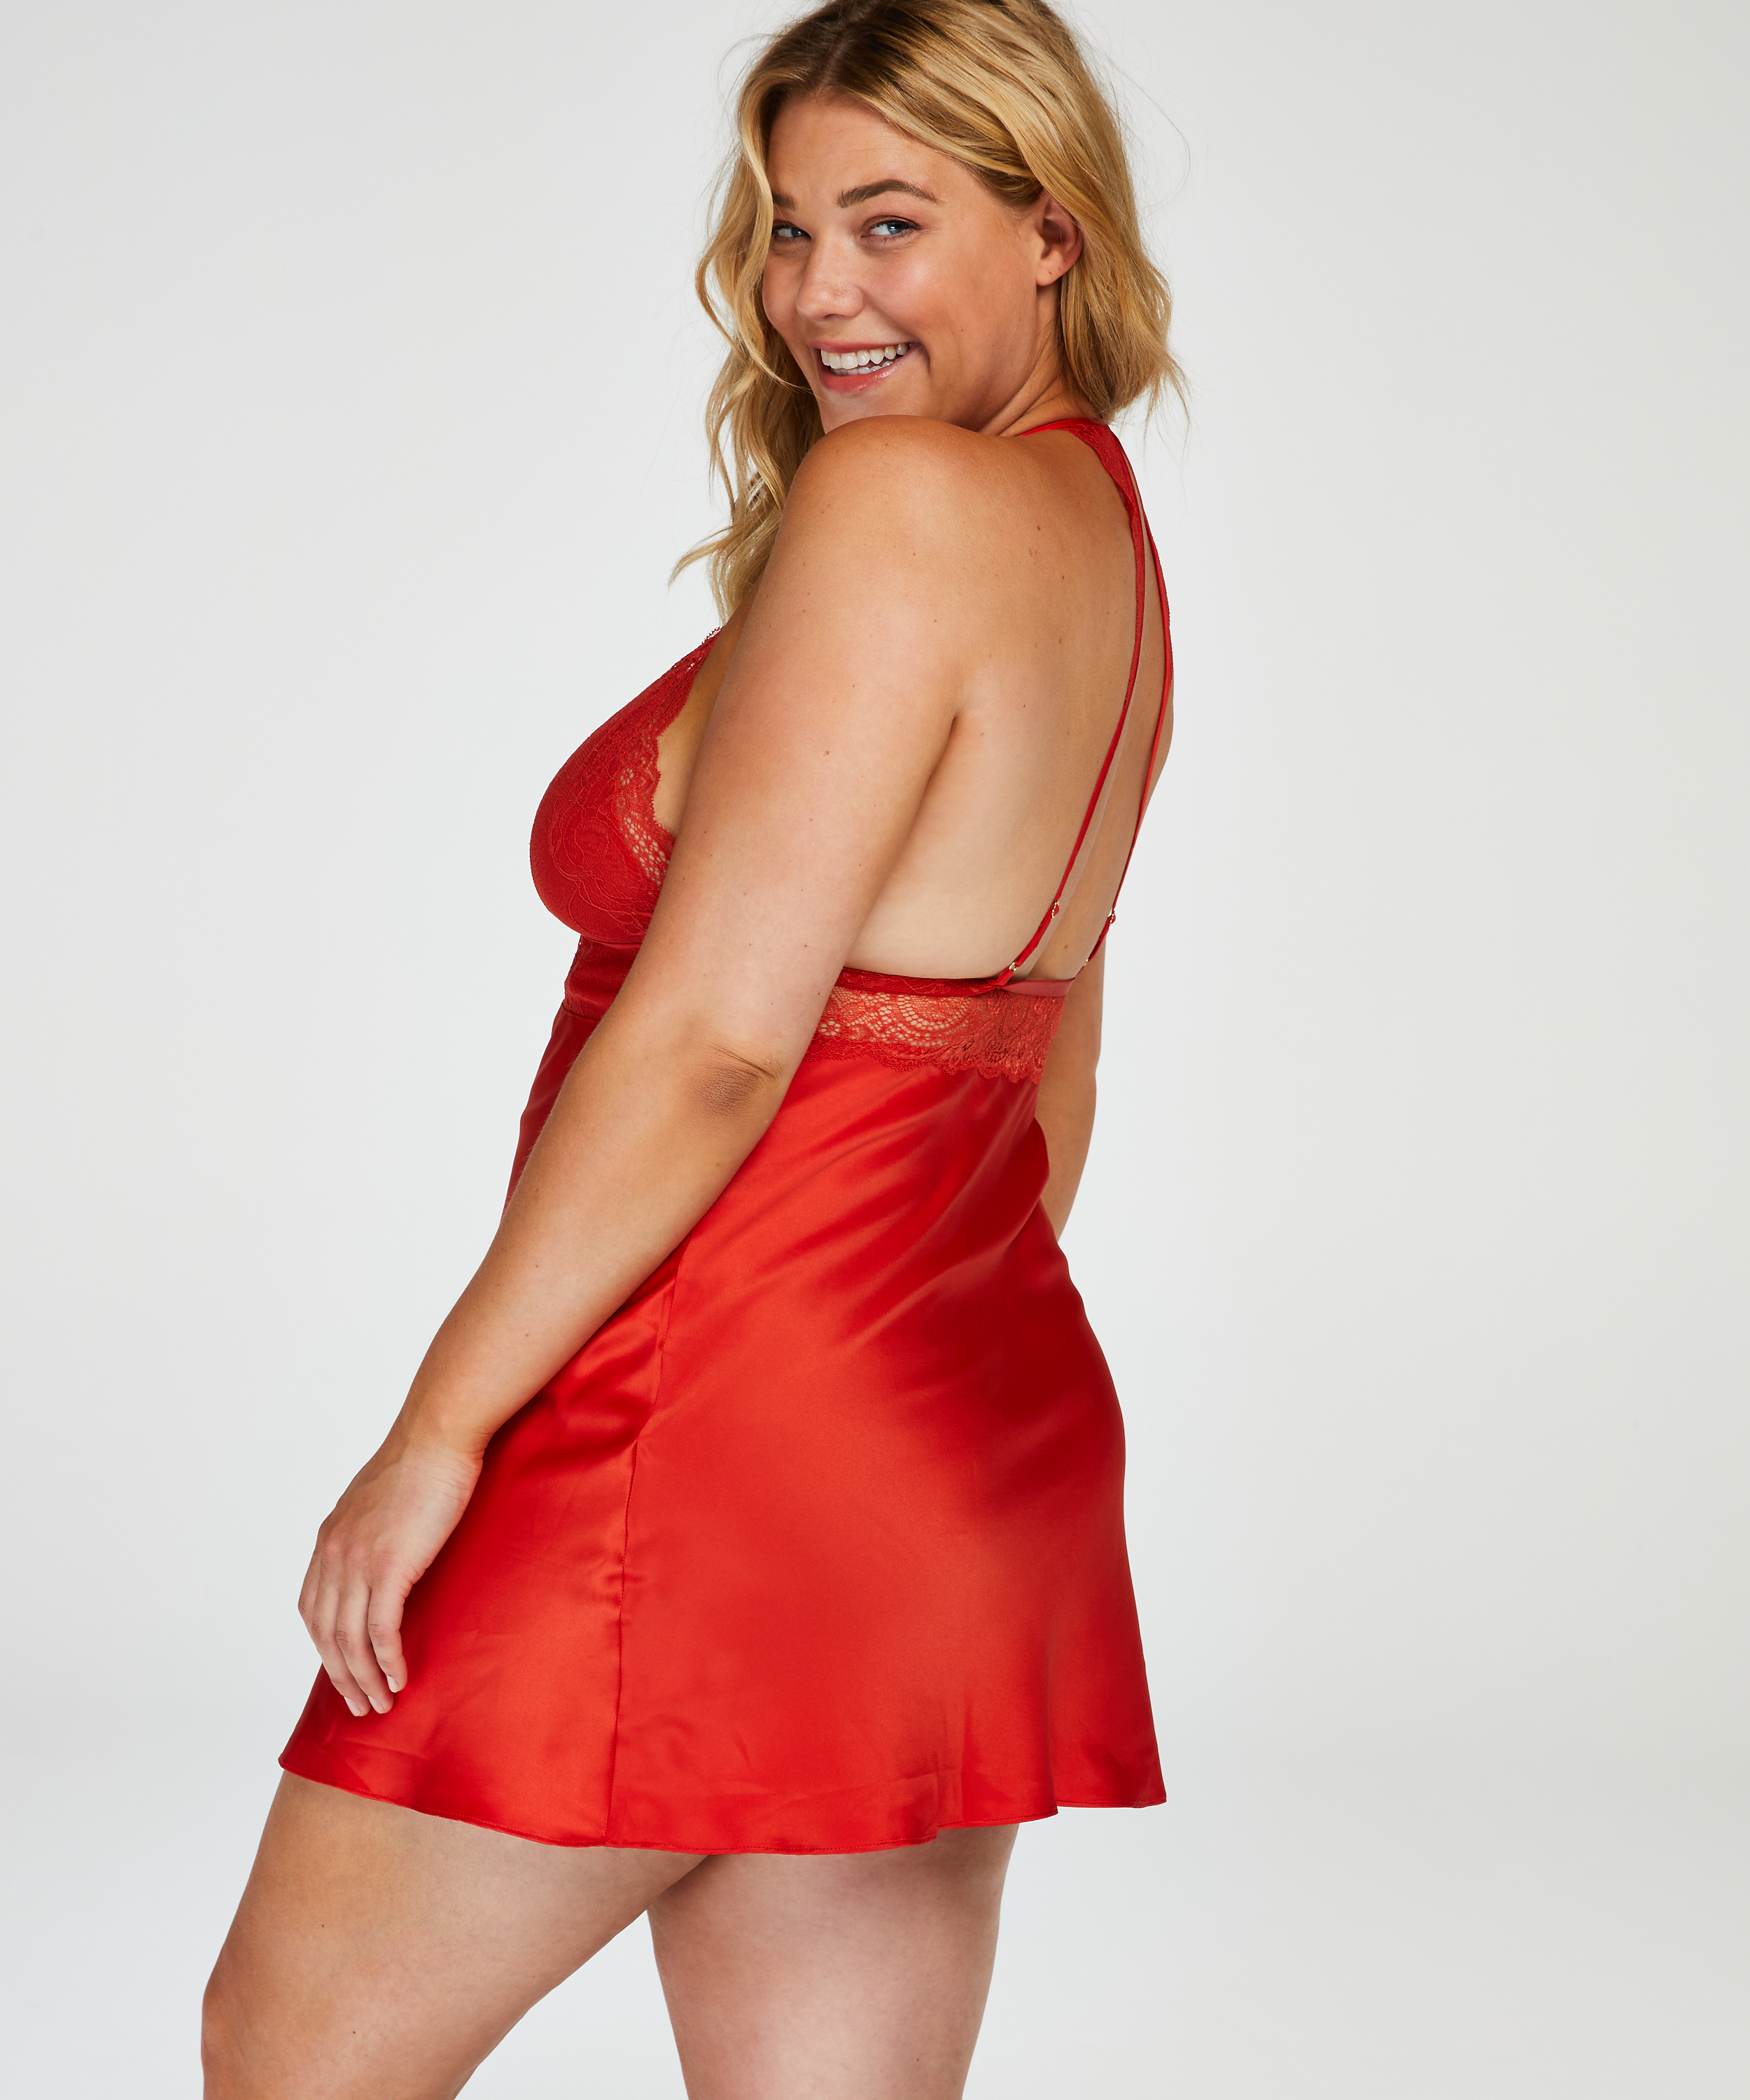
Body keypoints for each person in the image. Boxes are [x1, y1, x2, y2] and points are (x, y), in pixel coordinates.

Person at [203, 2, 1180, 2093]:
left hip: (710, 1407)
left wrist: (438, 1428)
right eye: (788, 228)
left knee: (293, 2055)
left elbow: (723, 1041)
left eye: (889, 222)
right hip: (956, 1430)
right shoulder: (1096, 538)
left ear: (1054, 234)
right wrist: (891, 1380)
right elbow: (1052, 1067)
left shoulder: (900, 502)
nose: (817, 291)